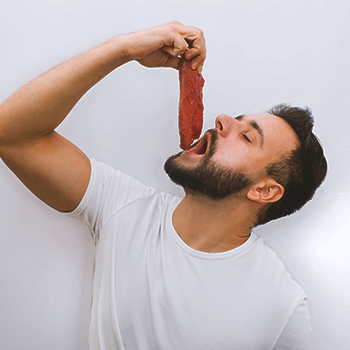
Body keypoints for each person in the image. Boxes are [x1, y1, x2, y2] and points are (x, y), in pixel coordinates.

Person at [0, 21, 327, 349]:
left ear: (264, 191)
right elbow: (14, 135)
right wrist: (123, 48)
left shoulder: (283, 307)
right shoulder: (123, 208)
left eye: (246, 136)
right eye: (236, 119)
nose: (223, 119)